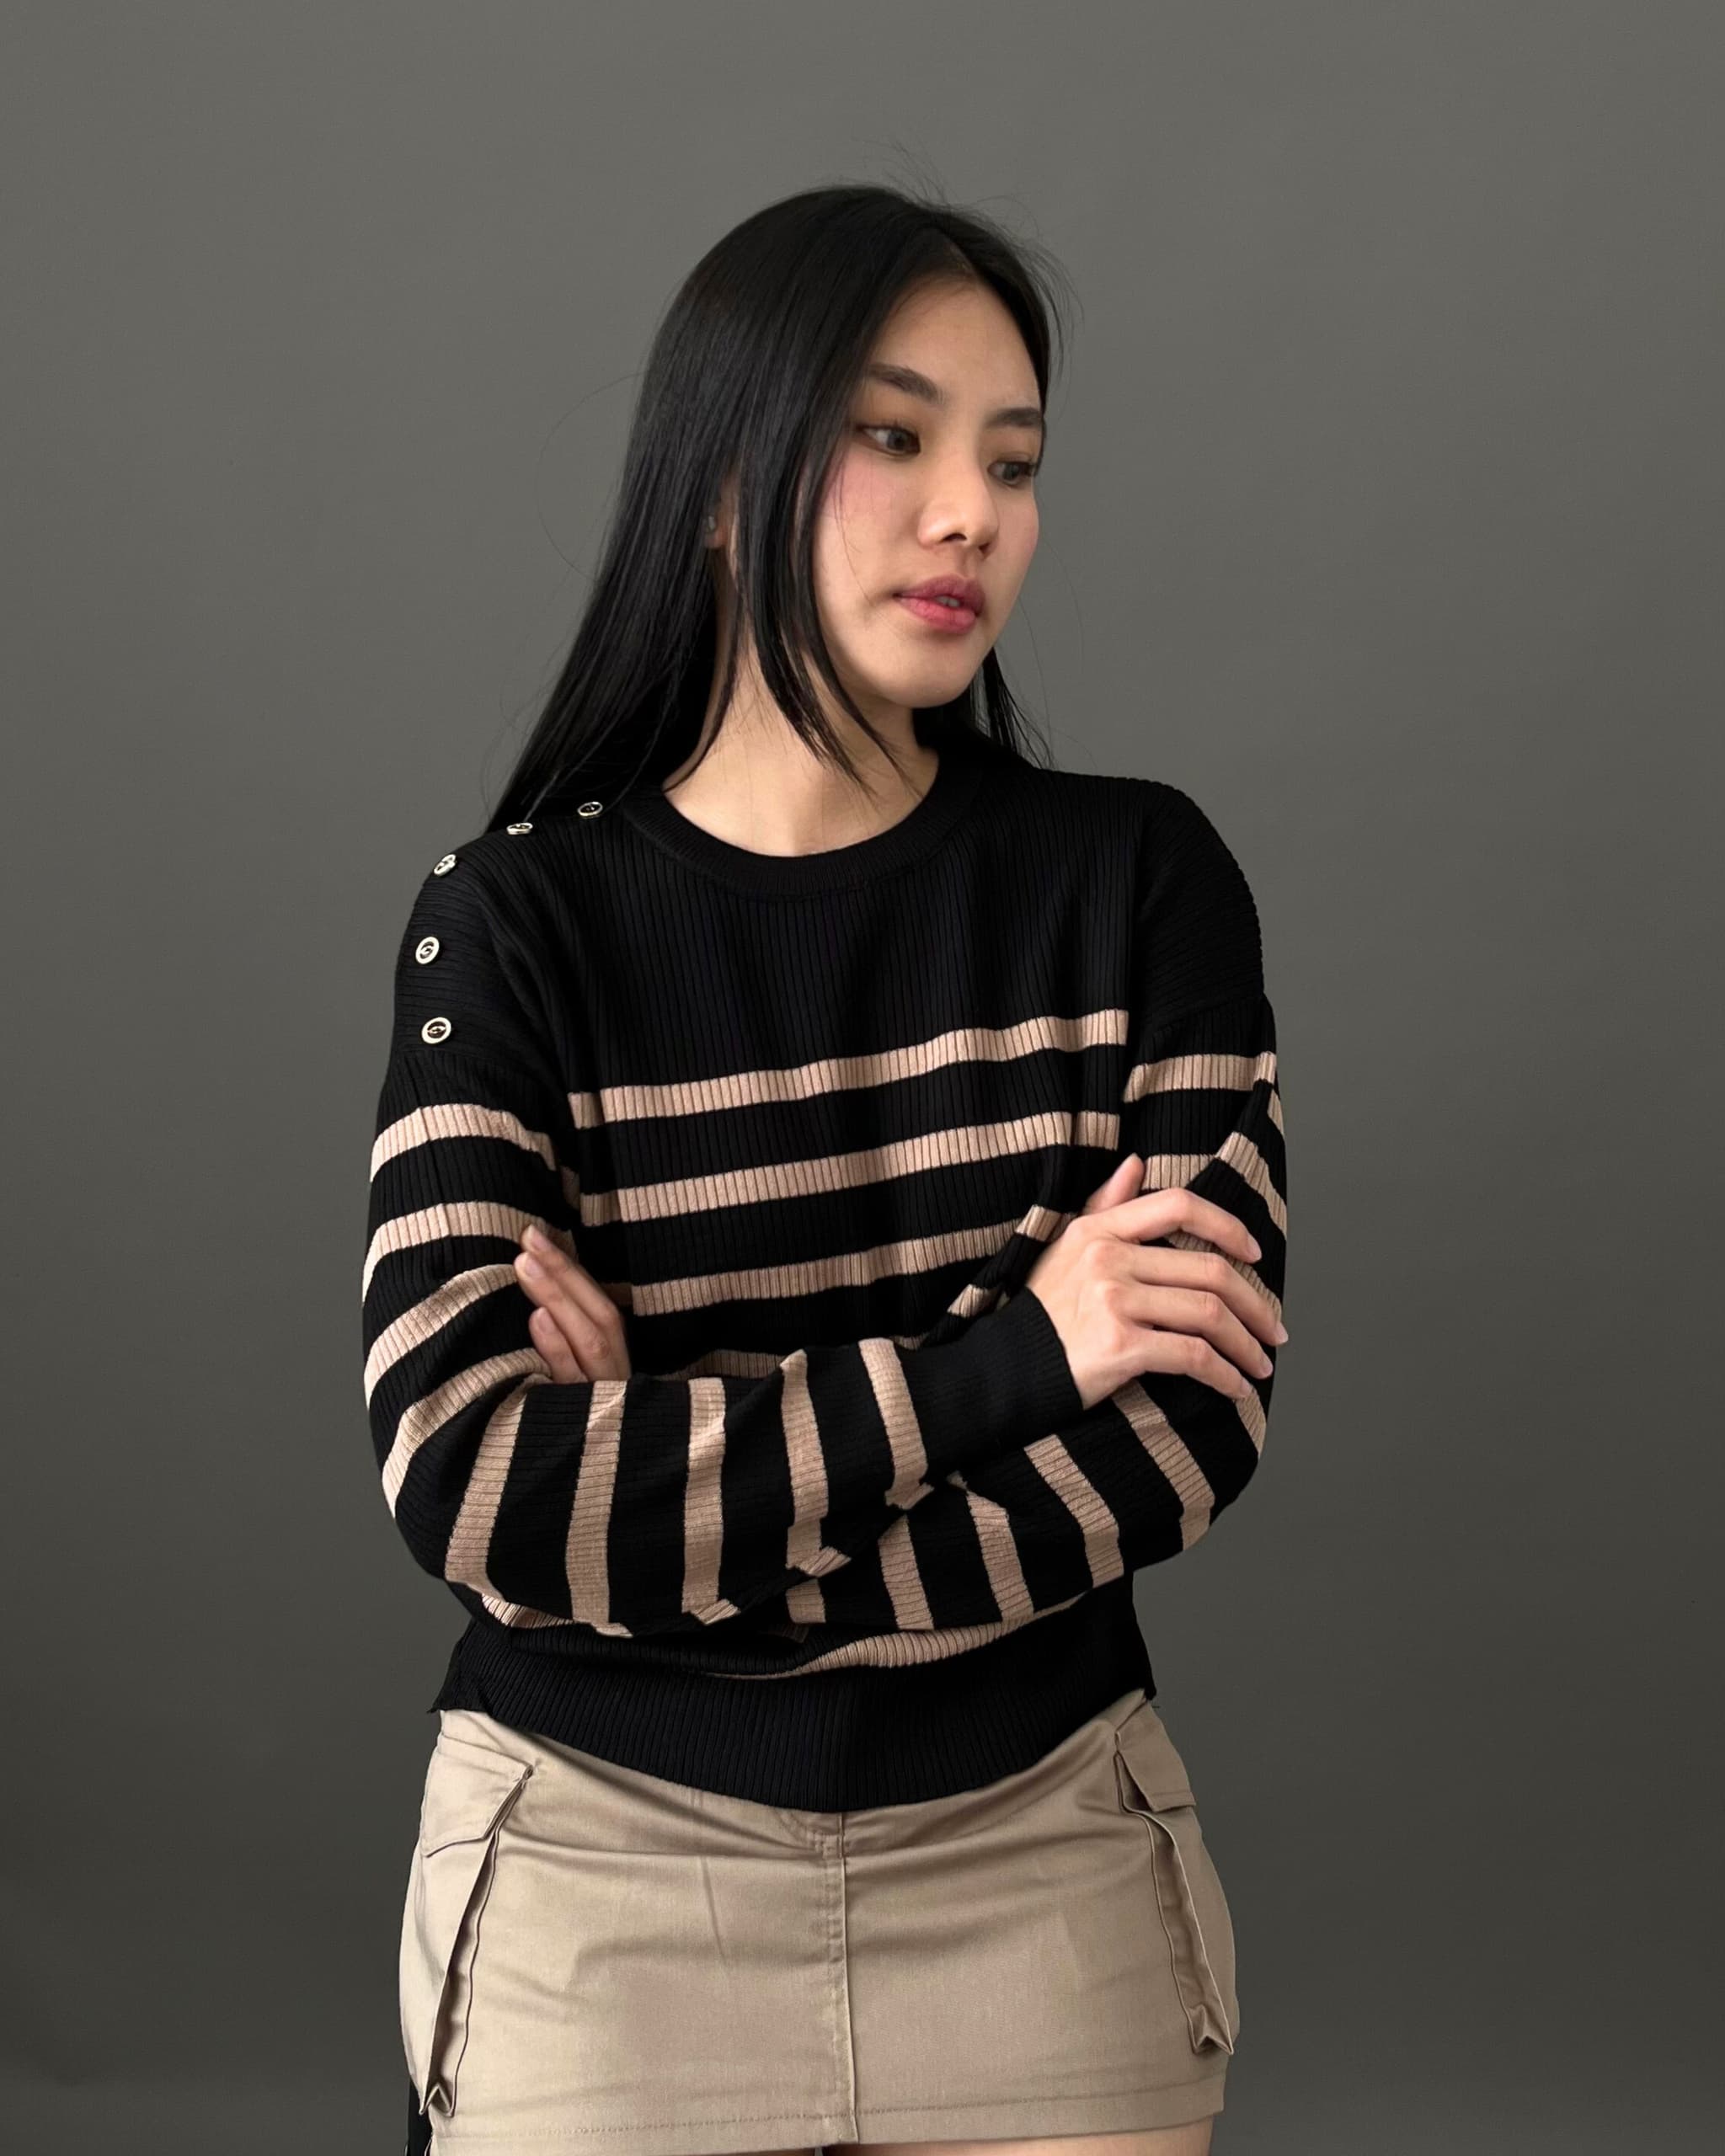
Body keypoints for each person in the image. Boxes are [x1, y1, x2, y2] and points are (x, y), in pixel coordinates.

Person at [363, 181, 1289, 2156]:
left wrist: (661, 1480)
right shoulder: (511, 929)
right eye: (893, 436)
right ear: (720, 481)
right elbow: (472, 1479)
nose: (969, 513)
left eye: (1011, 461)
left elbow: (1182, 1436)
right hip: (601, 1881)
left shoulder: (1140, 885)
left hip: (1041, 1852)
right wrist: (1013, 1361)